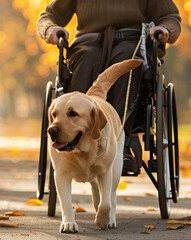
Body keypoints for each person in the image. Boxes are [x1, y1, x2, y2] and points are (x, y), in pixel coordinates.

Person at [37, 0, 181, 174]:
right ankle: (75, 138)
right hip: (88, 43)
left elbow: (170, 17)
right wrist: (49, 28)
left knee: (128, 60)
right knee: (88, 59)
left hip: (132, 41)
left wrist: (165, 29)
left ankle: (122, 141)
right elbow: (49, 16)